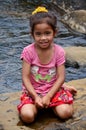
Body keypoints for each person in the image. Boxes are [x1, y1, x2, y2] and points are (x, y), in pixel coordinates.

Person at [17, 6, 77, 123]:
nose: (43, 38)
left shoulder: (59, 51)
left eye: (47, 33)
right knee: (27, 117)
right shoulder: (28, 51)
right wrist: (35, 97)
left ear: (55, 32)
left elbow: (61, 77)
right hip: (33, 91)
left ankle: (64, 90)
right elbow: (25, 77)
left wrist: (49, 96)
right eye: (38, 34)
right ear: (32, 34)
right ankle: (59, 93)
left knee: (65, 113)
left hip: (53, 90)